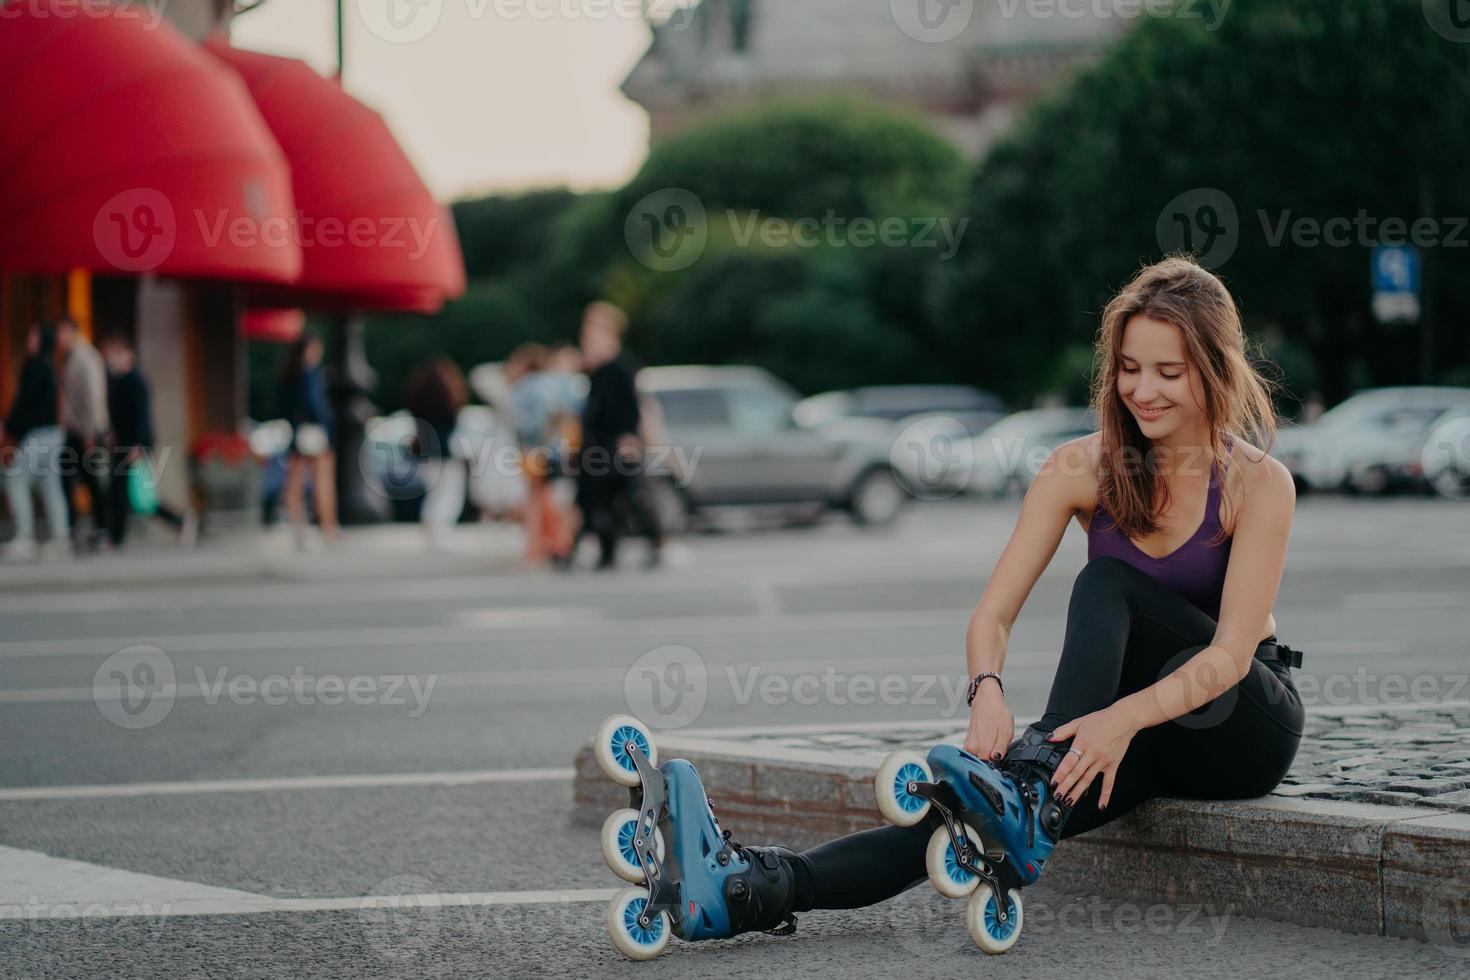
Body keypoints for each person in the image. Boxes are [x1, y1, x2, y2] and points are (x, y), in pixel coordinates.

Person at [613, 256, 1306, 948]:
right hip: (1129, 725)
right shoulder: (1078, 467)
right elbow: (993, 616)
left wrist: (1116, 720)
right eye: (1128, 368)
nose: (1142, 390)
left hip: (1238, 724)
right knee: (956, 817)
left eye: (1168, 372)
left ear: (1213, 369)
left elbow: (1229, 656)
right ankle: (748, 891)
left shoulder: (1258, 482)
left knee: (1105, 585)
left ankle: (1030, 786)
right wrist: (988, 692)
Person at [573, 302, 662, 570]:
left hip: (614, 443)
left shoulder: (620, 367)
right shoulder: (599, 371)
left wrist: (628, 436)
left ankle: (655, 541)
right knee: (599, 498)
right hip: (598, 445)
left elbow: (631, 407)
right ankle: (607, 549)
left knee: (628, 496)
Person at [100, 333, 196, 549]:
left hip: (134, 445)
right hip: (124, 443)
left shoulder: (136, 381)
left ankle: (177, 521)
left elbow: (142, 417)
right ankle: (116, 537)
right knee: (124, 493)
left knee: (136, 496)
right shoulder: (120, 381)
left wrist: (138, 446)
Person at [1, 322, 69, 560]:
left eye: (33, 336)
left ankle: (25, 537)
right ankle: (61, 539)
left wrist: (8, 427)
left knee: (15, 479)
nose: (29, 341)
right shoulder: (49, 366)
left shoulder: (37, 367)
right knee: (50, 485)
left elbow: (25, 405)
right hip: (53, 434)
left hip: (40, 434)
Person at [278, 335, 340, 548]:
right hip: (314, 433)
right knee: (322, 481)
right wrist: (327, 424)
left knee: (295, 482)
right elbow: (315, 405)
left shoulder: (289, 374)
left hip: (297, 433)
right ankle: (327, 526)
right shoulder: (310, 374)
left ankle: (299, 526)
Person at [55, 316, 110, 552]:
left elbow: (93, 397)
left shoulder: (85, 358)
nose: (59, 338)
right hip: (76, 431)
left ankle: (99, 530)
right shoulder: (71, 358)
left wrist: (91, 433)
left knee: (90, 481)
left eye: (62, 332)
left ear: (71, 331)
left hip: (86, 432)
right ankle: (78, 529)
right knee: (73, 480)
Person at [402, 355, 469, 549]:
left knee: (435, 492)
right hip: (443, 454)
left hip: (424, 454)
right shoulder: (448, 405)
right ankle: (439, 528)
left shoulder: (419, 403)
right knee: (449, 492)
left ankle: (431, 525)